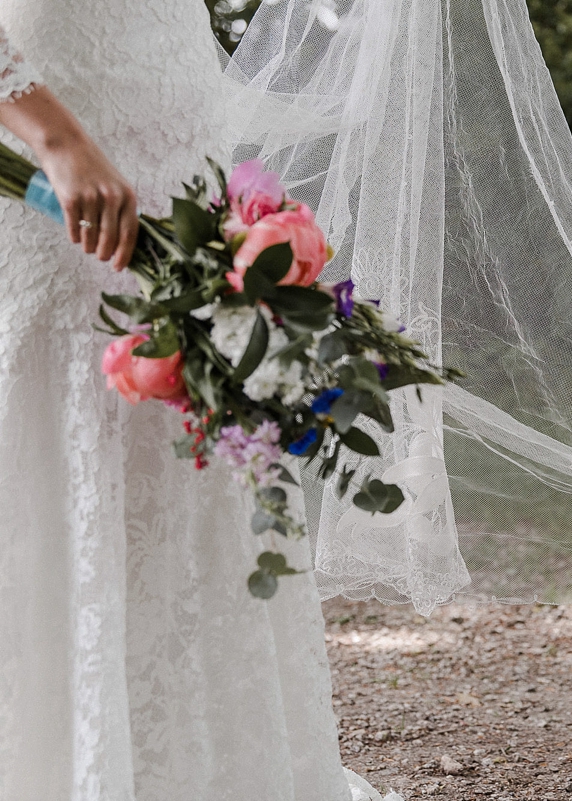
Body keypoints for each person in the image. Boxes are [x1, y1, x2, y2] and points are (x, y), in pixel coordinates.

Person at [0, 5, 383, 799]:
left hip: (174, 98)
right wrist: (56, 135)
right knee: (61, 400)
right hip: (58, 101)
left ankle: (200, 766)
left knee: (183, 404)